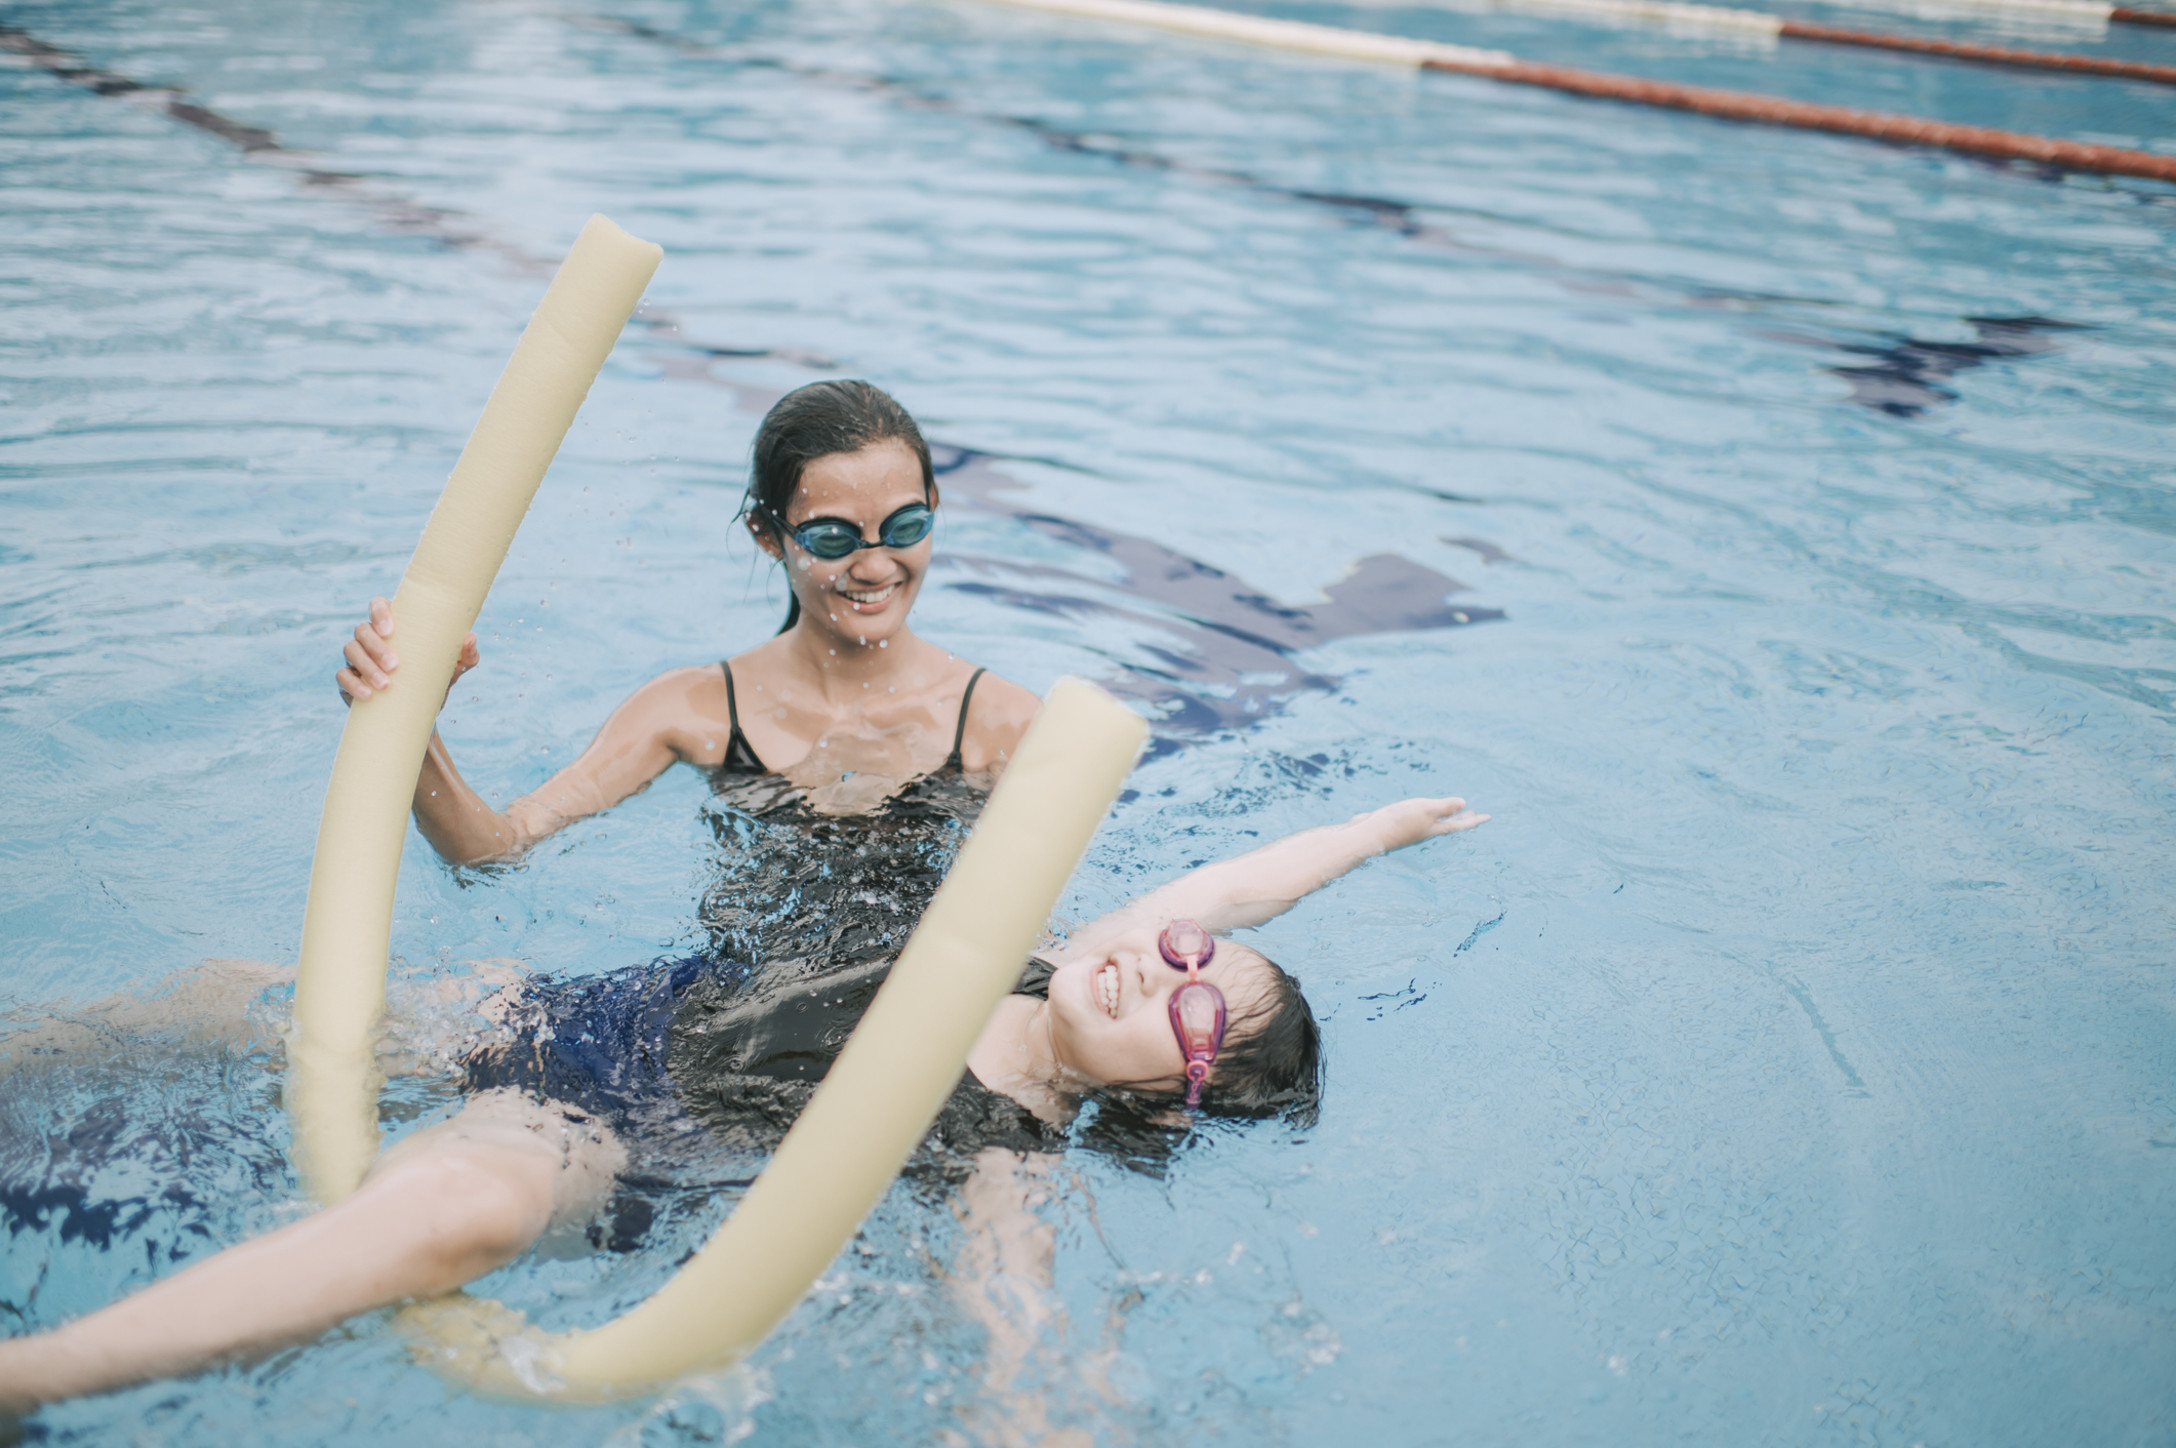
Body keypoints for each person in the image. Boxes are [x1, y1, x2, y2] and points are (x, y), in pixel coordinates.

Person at [0, 795, 1486, 1412]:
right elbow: (1239, 886)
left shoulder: (1006, 1159)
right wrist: (1382, 827)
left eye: (1193, 1010)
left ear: (1170, 1101)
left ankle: (38, 1379)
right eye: (1180, 951)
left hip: (615, 1139)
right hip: (596, 1012)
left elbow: (1014, 1322)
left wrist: (1038, 1419)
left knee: (455, 1217)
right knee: (237, 997)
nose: (1164, 966)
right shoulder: (1048, 950)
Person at [336, 378, 1042, 860]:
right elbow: (497, 848)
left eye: (906, 526)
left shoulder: (1003, 724)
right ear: (768, 536)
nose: (876, 563)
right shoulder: (690, 711)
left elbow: (1033, 924)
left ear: (936, 507)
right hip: (738, 1023)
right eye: (833, 537)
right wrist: (410, 722)